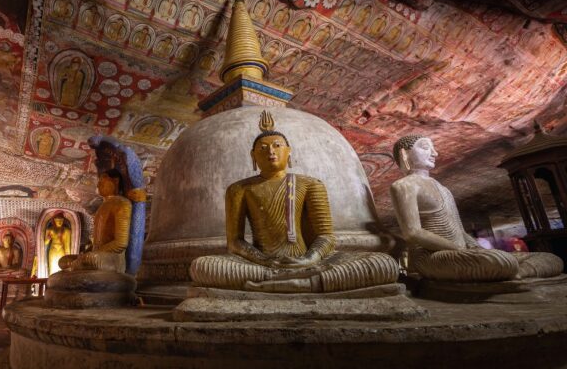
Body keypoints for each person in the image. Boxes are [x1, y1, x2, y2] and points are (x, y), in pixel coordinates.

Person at [188, 111, 399, 292]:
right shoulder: (239, 189)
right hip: (262, 263)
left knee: (384, 264)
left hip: (308, 261)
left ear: (288, 152)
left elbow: (325, 236)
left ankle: (284, 284)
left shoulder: (310, 184)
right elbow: (235, 242)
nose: (270, 151)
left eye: (277, 145)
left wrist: (309, 258)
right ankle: (307, 284)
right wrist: (263, 260)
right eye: (262, 148)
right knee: (203, 267)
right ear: (253, 156)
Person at [390, 135, 563, 281]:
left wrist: (476, 249)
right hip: (431, 256)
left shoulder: (443, 189)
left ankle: (516, 274)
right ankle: (509, 272)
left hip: (465, 254)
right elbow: (412, 233)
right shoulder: (404, 186)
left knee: (551, 258)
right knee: (497, 261)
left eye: (433, 148)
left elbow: (460, 230)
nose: (435, 153)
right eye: (426, 147)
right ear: (404, 154)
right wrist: (459, 249)